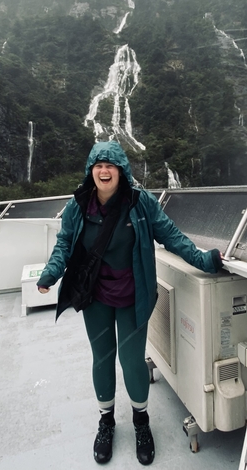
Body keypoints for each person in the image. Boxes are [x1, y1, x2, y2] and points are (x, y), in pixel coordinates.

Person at [37, 141, 223, 465]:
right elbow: (64, 243)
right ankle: (106, 421)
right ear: (90, 171)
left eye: (111, 165)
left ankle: (141, 422)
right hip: (94, 295)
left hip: (133, 295)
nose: (104, 170)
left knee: (132, 361)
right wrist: (50, 273)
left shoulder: (141, 203)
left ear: (122, 170)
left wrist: (203, 260)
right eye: (98, 165)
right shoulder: (78, 205)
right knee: (102, 357)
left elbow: (171, 236)